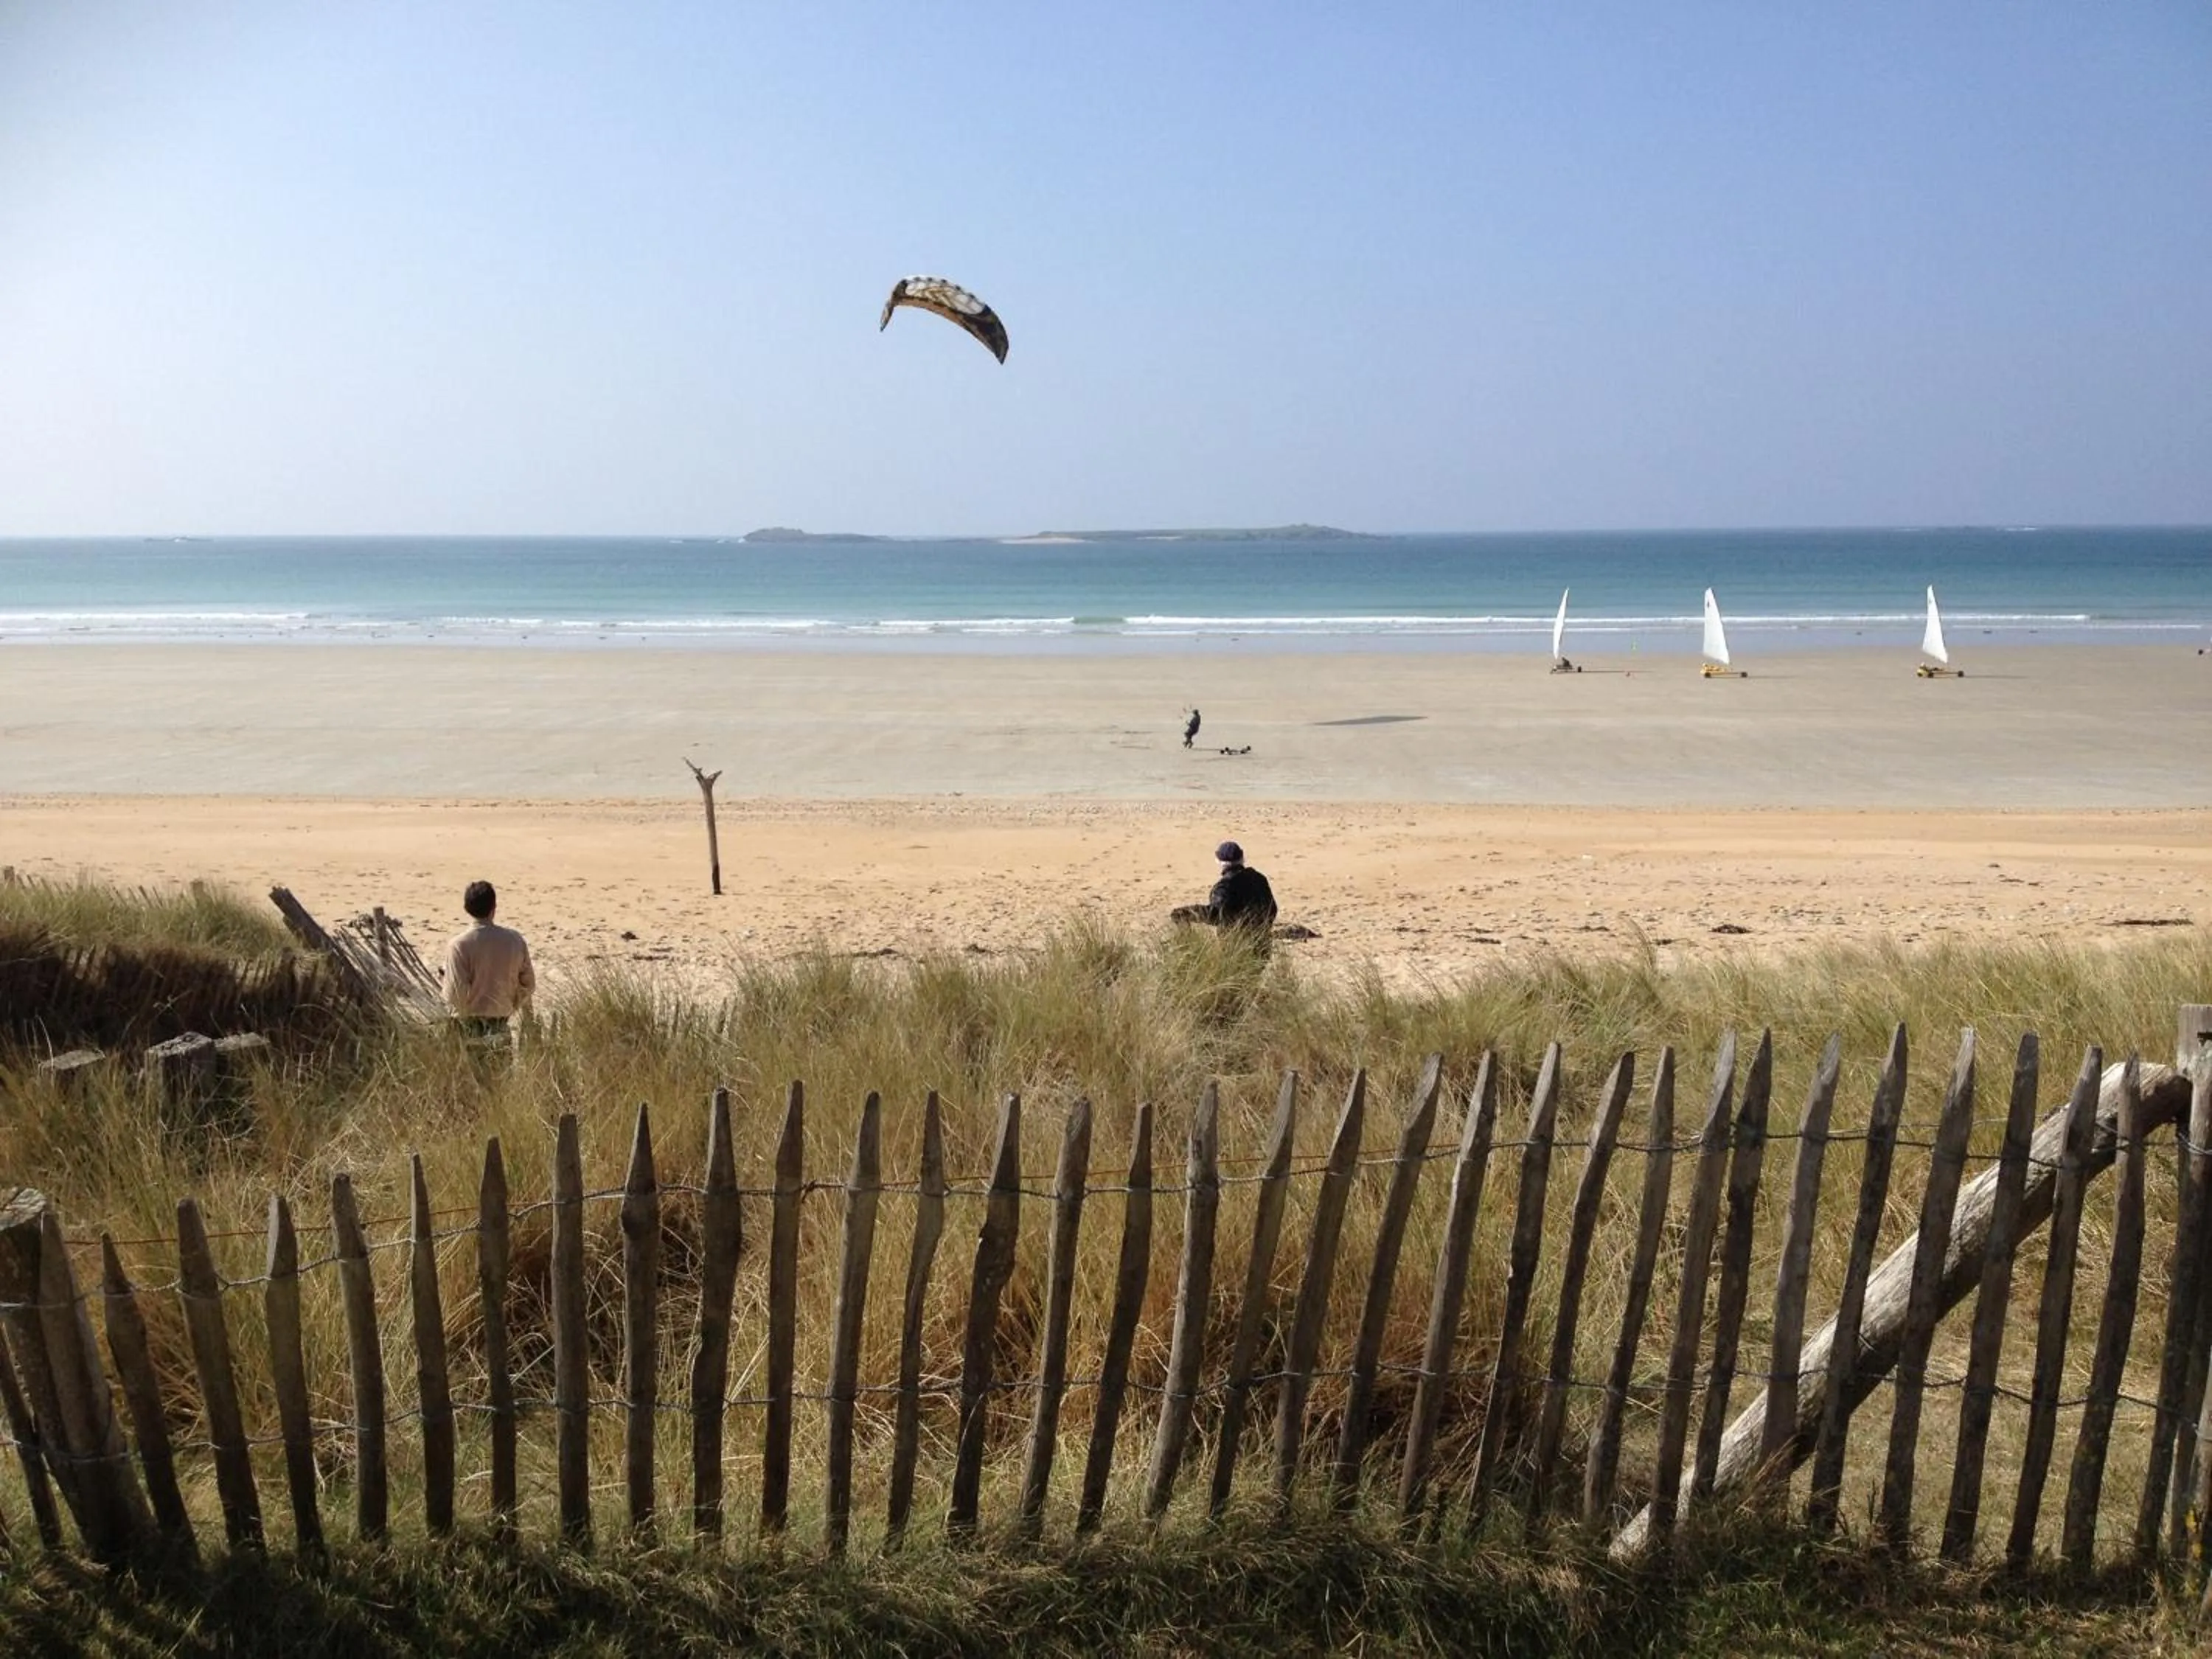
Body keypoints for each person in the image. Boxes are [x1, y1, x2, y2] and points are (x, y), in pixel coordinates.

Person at [444, 879, 535, 1038]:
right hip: (501, 1025)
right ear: (494, 908)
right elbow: (528, 985)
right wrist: (512, 1005)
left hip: (468, 1029)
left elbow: (455, 995)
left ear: (467, 908)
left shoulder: (458, 945)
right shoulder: (515, 941)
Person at [1170, 841, 1278, 935]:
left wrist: (1187, 913)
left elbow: (1216, 915)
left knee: (1178, 915)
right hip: (1262, 944)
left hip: (1234, 946)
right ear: (1242, 858)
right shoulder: (1259, 878)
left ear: (1218, 861)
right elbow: (1272, 909)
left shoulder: (1225, 886)